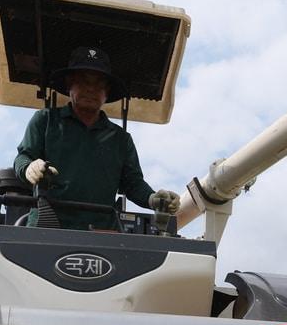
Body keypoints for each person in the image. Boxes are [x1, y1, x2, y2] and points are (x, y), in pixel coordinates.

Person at [13, 46, 179, 229]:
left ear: (107, 92)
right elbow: (23, 157)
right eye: (83, 81)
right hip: (47, 226)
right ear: (70, 84)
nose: (91, 89)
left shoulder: (121, 139)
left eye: (99, 84)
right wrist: (29, 167)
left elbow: (133, 184)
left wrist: (153, 198)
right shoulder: (45, 120)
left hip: (101, 232)